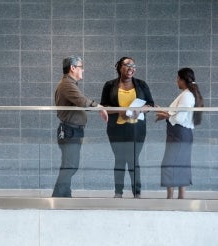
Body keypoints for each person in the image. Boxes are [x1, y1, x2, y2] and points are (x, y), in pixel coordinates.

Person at [52, 55, 108, 198]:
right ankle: (59, 197)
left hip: (73, 130)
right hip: (69, 131)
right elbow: (82, 101)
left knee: (70, 165)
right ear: (73, 68)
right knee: (70, 165)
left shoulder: (69, 84)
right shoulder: (67, 84)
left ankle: (64, 194)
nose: (83, 70)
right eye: (81, 67)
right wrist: (99, 107)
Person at [100, 56, 154, 199]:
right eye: (128, 65)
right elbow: (103, 107)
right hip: (116, 129)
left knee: (133, 159)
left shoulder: (141, 85)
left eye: (133, 66)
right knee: (119, 159)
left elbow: (151, 105)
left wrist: (140, 110)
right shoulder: (109, 85)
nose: (131, 68)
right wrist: (120, 110)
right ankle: (118, 192)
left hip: (137, 129)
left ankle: (137, 193)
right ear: (119, 67)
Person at [155, 67, 204, 199]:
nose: (176, 81)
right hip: (181, 134)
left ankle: (172, 197)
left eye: (177, 78)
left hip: (179, 134)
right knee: (181, 164)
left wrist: (164, 115)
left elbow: (179, 118)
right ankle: (179, 198)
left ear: (183, 80)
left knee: (169, 164)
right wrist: (165, 113)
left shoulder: (187, 96)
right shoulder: (187, 94)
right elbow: (177, 114)